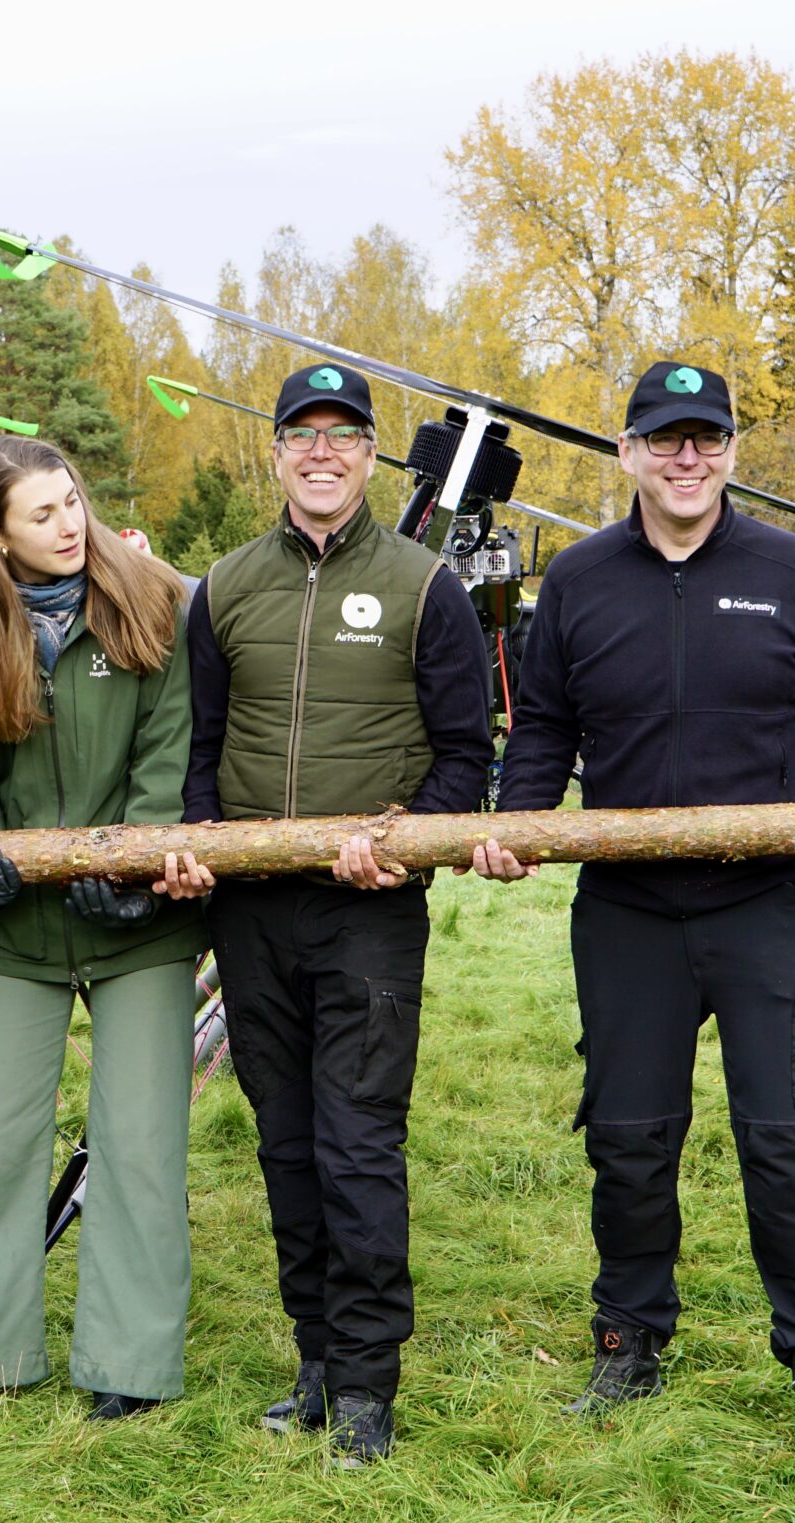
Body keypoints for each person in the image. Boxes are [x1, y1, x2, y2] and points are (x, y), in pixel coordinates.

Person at [468, 362, 795, 1464]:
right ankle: (628, 1343)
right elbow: (545, 730)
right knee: (626, 1141)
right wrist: (516, 825)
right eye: (665, 440)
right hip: (627, 914)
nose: (687, 458)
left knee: (791, 1140)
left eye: (706, 438)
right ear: (627, 453)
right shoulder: (576, 579)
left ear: (731, 453)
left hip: (773, 904)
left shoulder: (792, 572)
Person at [172, 361, 492, 1467]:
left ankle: (366, 1385)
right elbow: (198, 753)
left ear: (369, 458)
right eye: (301, 435)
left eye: (343, 436)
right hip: (253, 913)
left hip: (367, 918)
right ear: (273, 454)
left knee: (357, 1146)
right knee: (287, 1145)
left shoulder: (424, 587)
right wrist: (207, 858)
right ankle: (311, 1358)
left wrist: (400, 848)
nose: (321, 453)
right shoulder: (221, 589)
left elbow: (467, 759)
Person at [0, 436, 212, 1424]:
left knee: (138, 1143)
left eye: (71, 501)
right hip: (21, 933)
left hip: (139, 924)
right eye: (40, 515)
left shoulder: (149, 599)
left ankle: (129, 1362)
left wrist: (138, 865)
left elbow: (171, 750)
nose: (69, 525)